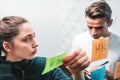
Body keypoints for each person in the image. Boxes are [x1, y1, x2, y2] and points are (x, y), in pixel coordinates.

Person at [0, 16, 90, 80]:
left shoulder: (45, 65)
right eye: (27, 39)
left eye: (33, 37)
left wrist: (77, 72)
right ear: (7, 46)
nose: (36, 44)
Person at [72, 0, 120, 80]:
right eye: (90, 27)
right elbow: (74, 72)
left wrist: (109, 75)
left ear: (109, 23)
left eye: (99, 28)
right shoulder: (78, 40)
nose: (93, 32)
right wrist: (83, 71)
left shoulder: (118, 42)